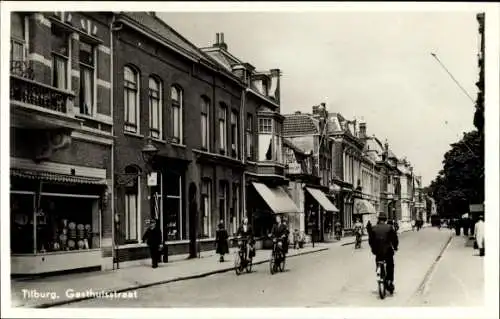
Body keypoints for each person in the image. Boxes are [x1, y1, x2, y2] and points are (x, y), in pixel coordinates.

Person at [369, 213, 399, 294]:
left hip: (378, 252)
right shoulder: (389, 227)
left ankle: (379, 272)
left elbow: (370, 241)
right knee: (390, 265)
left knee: (378, 261)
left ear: (378, 219)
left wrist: (373, 249)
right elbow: (395, 239)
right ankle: (389, 280)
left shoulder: (373, 228)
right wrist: (395, 247)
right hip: (388, 251)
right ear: (385, 219)